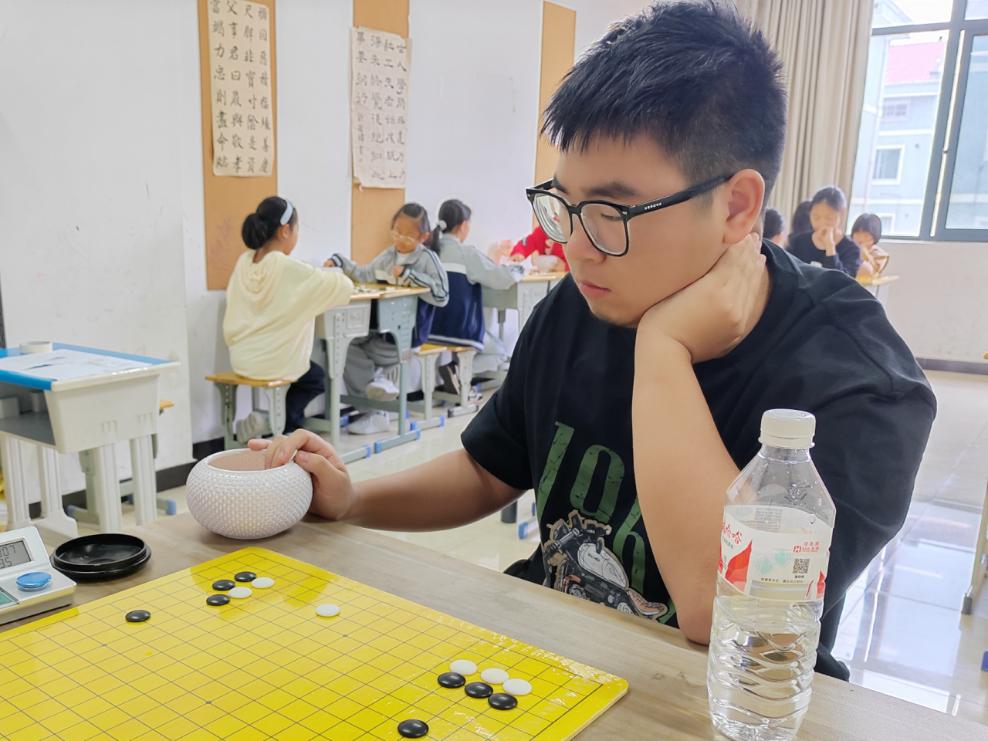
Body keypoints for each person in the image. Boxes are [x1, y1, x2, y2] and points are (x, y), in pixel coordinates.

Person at [256, 1, 935, 679]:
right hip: (546, 667)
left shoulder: (858, 377)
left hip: (718, 704)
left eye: (611, 211)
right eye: (566, 206)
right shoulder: (583, 302)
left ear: (736, 206)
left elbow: (722, 610)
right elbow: (490, 468)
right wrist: (354, 499)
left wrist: (664, 347)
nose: (576, 247)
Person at [223, 196, 353, 437]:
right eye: (297, 229)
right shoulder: (285, 266)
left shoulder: (244, 261)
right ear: (285, 230)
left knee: (306, 374)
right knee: (315, 378)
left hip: (241, 358)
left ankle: (278, 423)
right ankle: (274, 423)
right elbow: (343, 286)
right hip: (274, 361)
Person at [326, 203, 449, 434]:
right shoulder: (389, 255)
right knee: (345, 346)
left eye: (407, 236)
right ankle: (375, 394)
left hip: (407, 339)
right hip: (380, 332)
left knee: (356, 350)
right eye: (396, 232)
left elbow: (442, 295)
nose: (399, 239)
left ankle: (377, 408)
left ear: (423, 237)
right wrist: (341, 261)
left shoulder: (427, 259)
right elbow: (364, 274)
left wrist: (410, 276)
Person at [429, 199, 523, 392]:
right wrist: (518, 268)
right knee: (499, 353)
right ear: (463, 225)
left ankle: (457, 375)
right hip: (460, 330)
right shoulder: (467, 254)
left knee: (486, 345)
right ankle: (457, 370)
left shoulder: (429, 251)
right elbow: (501, 279)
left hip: (429, 328)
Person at [787, 187, 861, 277]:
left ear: (842, 214)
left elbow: (842, 282)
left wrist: (830, 247)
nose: (822, 223)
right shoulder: (797, 242)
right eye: (816, 217)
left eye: (829, 218)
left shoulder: (851, 249)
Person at [850, 213, 889, 281]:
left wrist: (863, 252)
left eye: (866, 235)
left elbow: (872, 273)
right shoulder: (847, 248)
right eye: (857, 233)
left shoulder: (880, 255)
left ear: (875, 236)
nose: (860, 238)